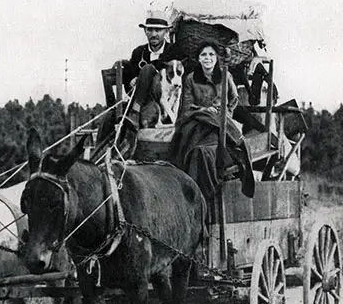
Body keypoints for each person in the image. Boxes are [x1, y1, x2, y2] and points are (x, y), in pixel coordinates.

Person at [168, 40, 255, 201]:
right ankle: (193, 194)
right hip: (197, 123)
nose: (207, 58)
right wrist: (203, 111)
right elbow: (186, 107)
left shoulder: (225, 75)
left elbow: (234, 99)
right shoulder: (191, 79)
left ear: (216, 58)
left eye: (211, 55)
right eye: (203, 55)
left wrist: (225, 114)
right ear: (199, 59)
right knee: (193, 151)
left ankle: (204, 196)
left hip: (218, 125)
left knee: (204, 152)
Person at [93, 11, 184, 159]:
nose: (153, 34)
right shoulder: (139, 52)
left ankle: (135, 114)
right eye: (150, 30)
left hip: (162, 103)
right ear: (145, 31)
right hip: (141, 100)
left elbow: (165, 68)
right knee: (108, 117)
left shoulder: (172, 51)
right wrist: (130, 73)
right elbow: (130, 77)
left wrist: (143, 74)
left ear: (166, 31)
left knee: (148, 69)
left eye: (158, 30)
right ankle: (96, 157)